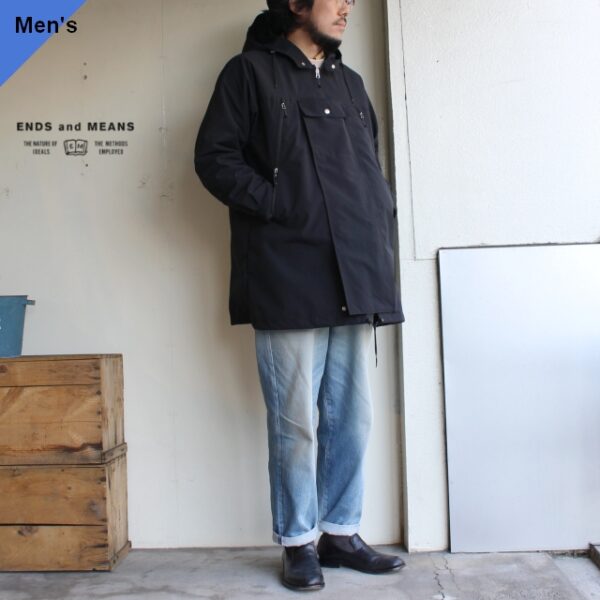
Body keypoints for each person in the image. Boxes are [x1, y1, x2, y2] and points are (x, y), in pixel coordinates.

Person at [194, 0, 406, 591]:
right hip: (286, 271)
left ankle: (341, 533)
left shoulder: (350, 82)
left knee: (352, 417)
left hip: (355, 271)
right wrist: (278, 204)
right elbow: (214, 158)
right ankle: (298, 542)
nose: (347, 6)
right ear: (295, 3)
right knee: (296, 423)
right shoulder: (248, 73)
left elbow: (368, 166)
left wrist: (379, 217)